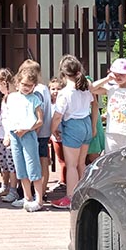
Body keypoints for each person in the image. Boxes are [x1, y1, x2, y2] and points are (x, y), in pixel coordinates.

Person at [49, 55, 93, 210]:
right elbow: (92, 103)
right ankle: (84, 195)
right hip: (86, 123)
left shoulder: (65, 92)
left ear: (63, 72)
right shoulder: (85, 87)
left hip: (73, 126)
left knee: (71, 165)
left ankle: (71, 197)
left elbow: (58, 116)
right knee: (82, 163)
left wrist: (52, 129)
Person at [6, 66, 45, 212]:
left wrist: (27, 129)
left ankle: (39, 200)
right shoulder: (11, 97)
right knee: (20, 167)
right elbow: (8, 117)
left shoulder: (35, 99)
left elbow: (40, 121)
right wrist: (8, 134)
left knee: (33, 166)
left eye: (30, 85)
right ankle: (27, 197)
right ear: (17, 83)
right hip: (14, 134)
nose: (26, 87)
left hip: (28, 134)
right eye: (24, 84)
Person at [91, 58, 126, 154]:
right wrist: (107, 79)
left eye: (122, 74)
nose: (118, 77)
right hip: (111, 132)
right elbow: (91, 88)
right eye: (116, 74)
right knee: (110, 158)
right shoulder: (111, 88)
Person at [19, 60, 52, 201]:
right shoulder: (44, 88)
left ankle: (38, 192)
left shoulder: (37, 91)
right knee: (43, 160)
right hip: (44, 130)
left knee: (37, 162)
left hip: (36, 132)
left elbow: (37, 113)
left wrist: (33, 132)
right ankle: (42, 191)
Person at [0, 68, 19, 203]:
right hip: (3, 135)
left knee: (11, 164)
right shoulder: (6, 98)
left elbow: (13, 118)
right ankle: (5, 186)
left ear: (4, 83)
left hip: (9, 136)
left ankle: (13, 189)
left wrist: (8, 134)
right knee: (4, 163)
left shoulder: (13, 97)